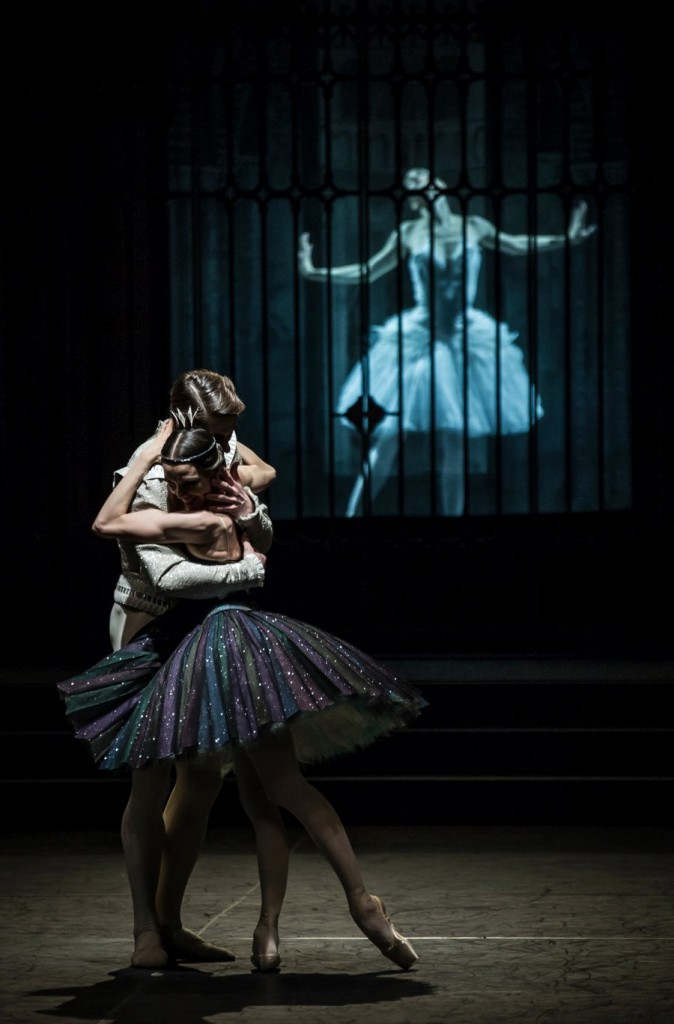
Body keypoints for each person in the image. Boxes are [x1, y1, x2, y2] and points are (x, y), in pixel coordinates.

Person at [59, 424, 428, 973]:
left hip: (219, 643)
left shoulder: (206, 511)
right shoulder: (219, 496)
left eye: (186, 479)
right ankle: (276, 928)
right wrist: (248, 536)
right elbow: (255, 478)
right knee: (263, 795)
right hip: (199, 640)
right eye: (172, 479)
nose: (176, 487)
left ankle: (348, 906)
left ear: (212, 471)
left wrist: (236, 515)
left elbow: (123, 532)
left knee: (275, 788)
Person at [86, 369, 289, 971]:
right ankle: (144, 927)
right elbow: (159, 569)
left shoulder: (218, 450)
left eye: (234, 428)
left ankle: (170, 920)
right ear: (185, 421)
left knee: (200, 778)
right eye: (221, 424)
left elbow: (263, 472)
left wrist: (238, 475)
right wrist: (246, 568)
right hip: (151, 620)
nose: (232, 438)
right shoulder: (149, 475)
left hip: (203, 623)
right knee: (149, 777)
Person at [298, 167, 597, 515]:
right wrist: (315, 271)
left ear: (441, 184)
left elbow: (517, 243)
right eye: (411, 181)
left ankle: (452, 525)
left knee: (455, 441)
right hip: (420, 337)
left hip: (466, 337)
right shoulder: (409, 232)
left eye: (425, 177)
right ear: (412, 200)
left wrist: (568, 237)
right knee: (389, 437)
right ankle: (351, 520)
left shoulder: (474, 225)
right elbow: (369, 270)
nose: (420, 183)